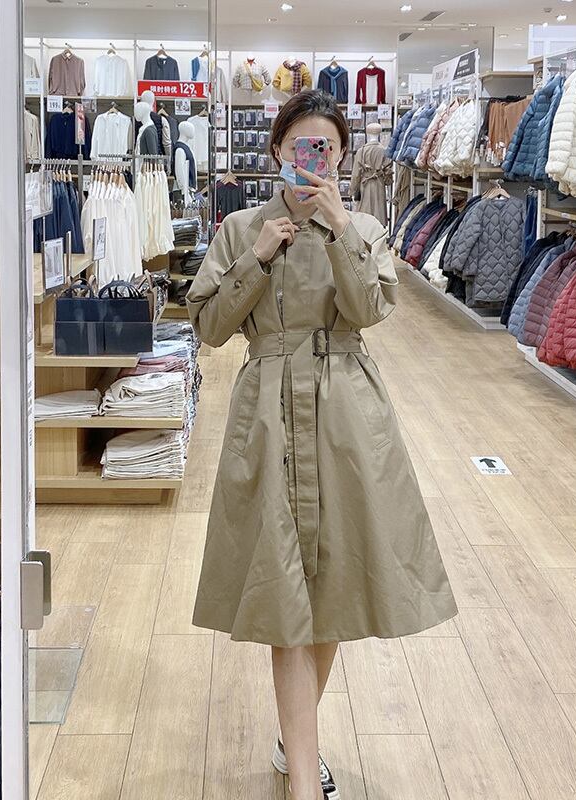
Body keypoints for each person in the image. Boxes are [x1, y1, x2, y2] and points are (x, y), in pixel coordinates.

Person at [185, 89, 457, 800]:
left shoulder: (362, 225)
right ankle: (304, 780)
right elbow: (209, 328)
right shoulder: (241, 227)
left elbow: (370, 310)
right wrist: (257, 258)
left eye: (326, 148)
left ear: (339, 156)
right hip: (268, 414)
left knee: (333, 585)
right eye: (301, 145)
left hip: (345, 414)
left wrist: (339, 230)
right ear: (277, 149)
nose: (314, 158)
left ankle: (293, 743)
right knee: (283, 593)